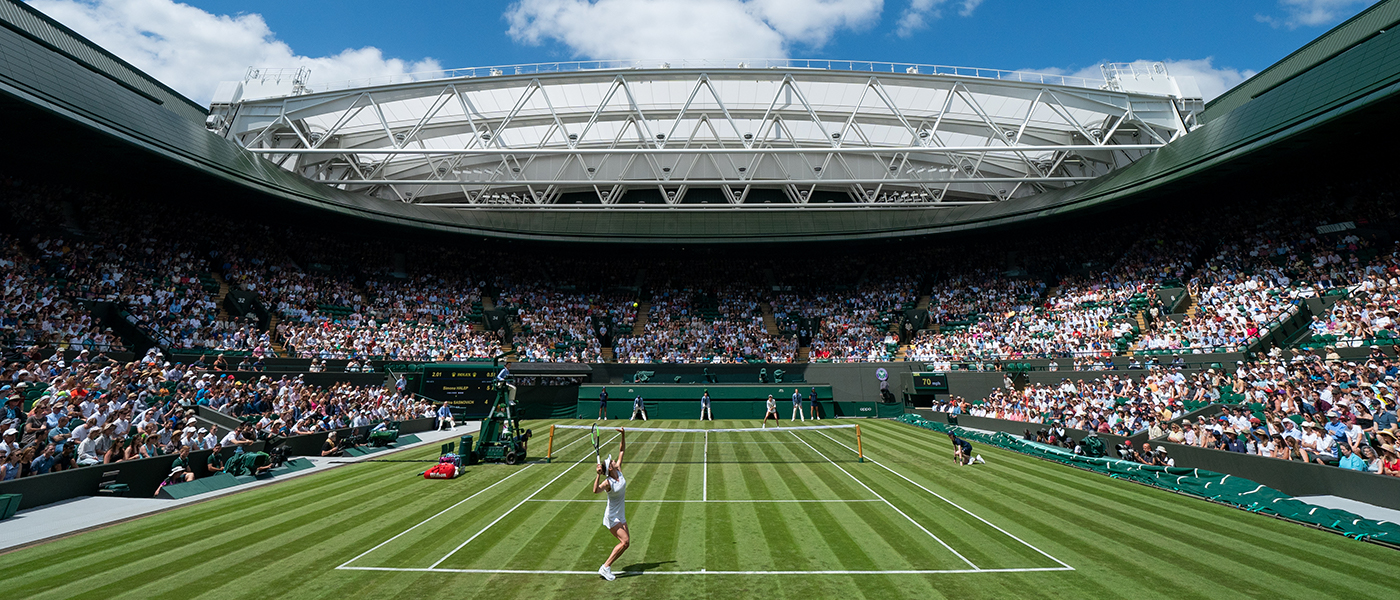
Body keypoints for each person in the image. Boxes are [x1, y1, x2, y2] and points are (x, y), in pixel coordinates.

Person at [592, 428, 629, 581]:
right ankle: (605, 567)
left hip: (621, 515)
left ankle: (607, 567)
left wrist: (623, 434)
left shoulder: (618, 469)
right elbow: (595, 491)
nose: (614, 460)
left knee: (626, 544)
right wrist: (597, 475)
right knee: (624, 541)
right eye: (612, 461)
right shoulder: (608, 483)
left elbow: (622, 450)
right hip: (612, 517)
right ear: (610, 467)